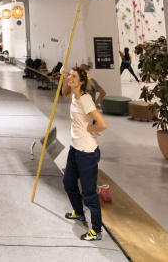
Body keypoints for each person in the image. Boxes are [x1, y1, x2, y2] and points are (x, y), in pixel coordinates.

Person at [62, 66, 107, 241]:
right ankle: (79, 213)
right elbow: (65, 92)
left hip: (86, 152)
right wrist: (65, 74)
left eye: (74, 77)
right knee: (68, 183)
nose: (70, 78)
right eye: (70, 76)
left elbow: (102, 124)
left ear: (82, 82)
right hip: (75, 148)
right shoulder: (75, 96)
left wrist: (90, 128)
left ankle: (96, 231)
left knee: (89, 194)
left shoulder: (85, 99)